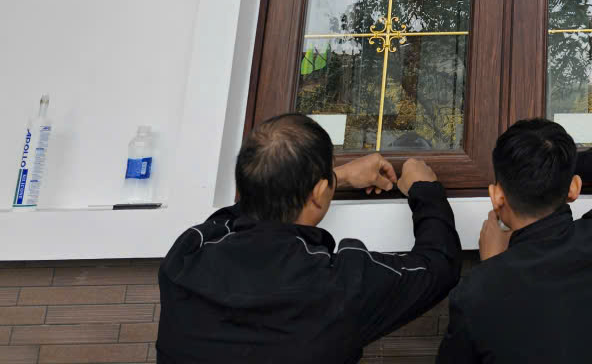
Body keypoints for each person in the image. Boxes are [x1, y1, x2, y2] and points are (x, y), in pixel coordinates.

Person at [156, 113, 461, 364]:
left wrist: (336, 177)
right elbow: (438, 265)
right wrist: (425, 190)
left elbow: (238, 212)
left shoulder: (184, 258)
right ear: (318, 193)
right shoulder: (337, 287)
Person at [438, 118, 592, 364]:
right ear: (574, 188)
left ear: (497, 197)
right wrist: (557, 167)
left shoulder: (475, 294)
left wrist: (492, 269)